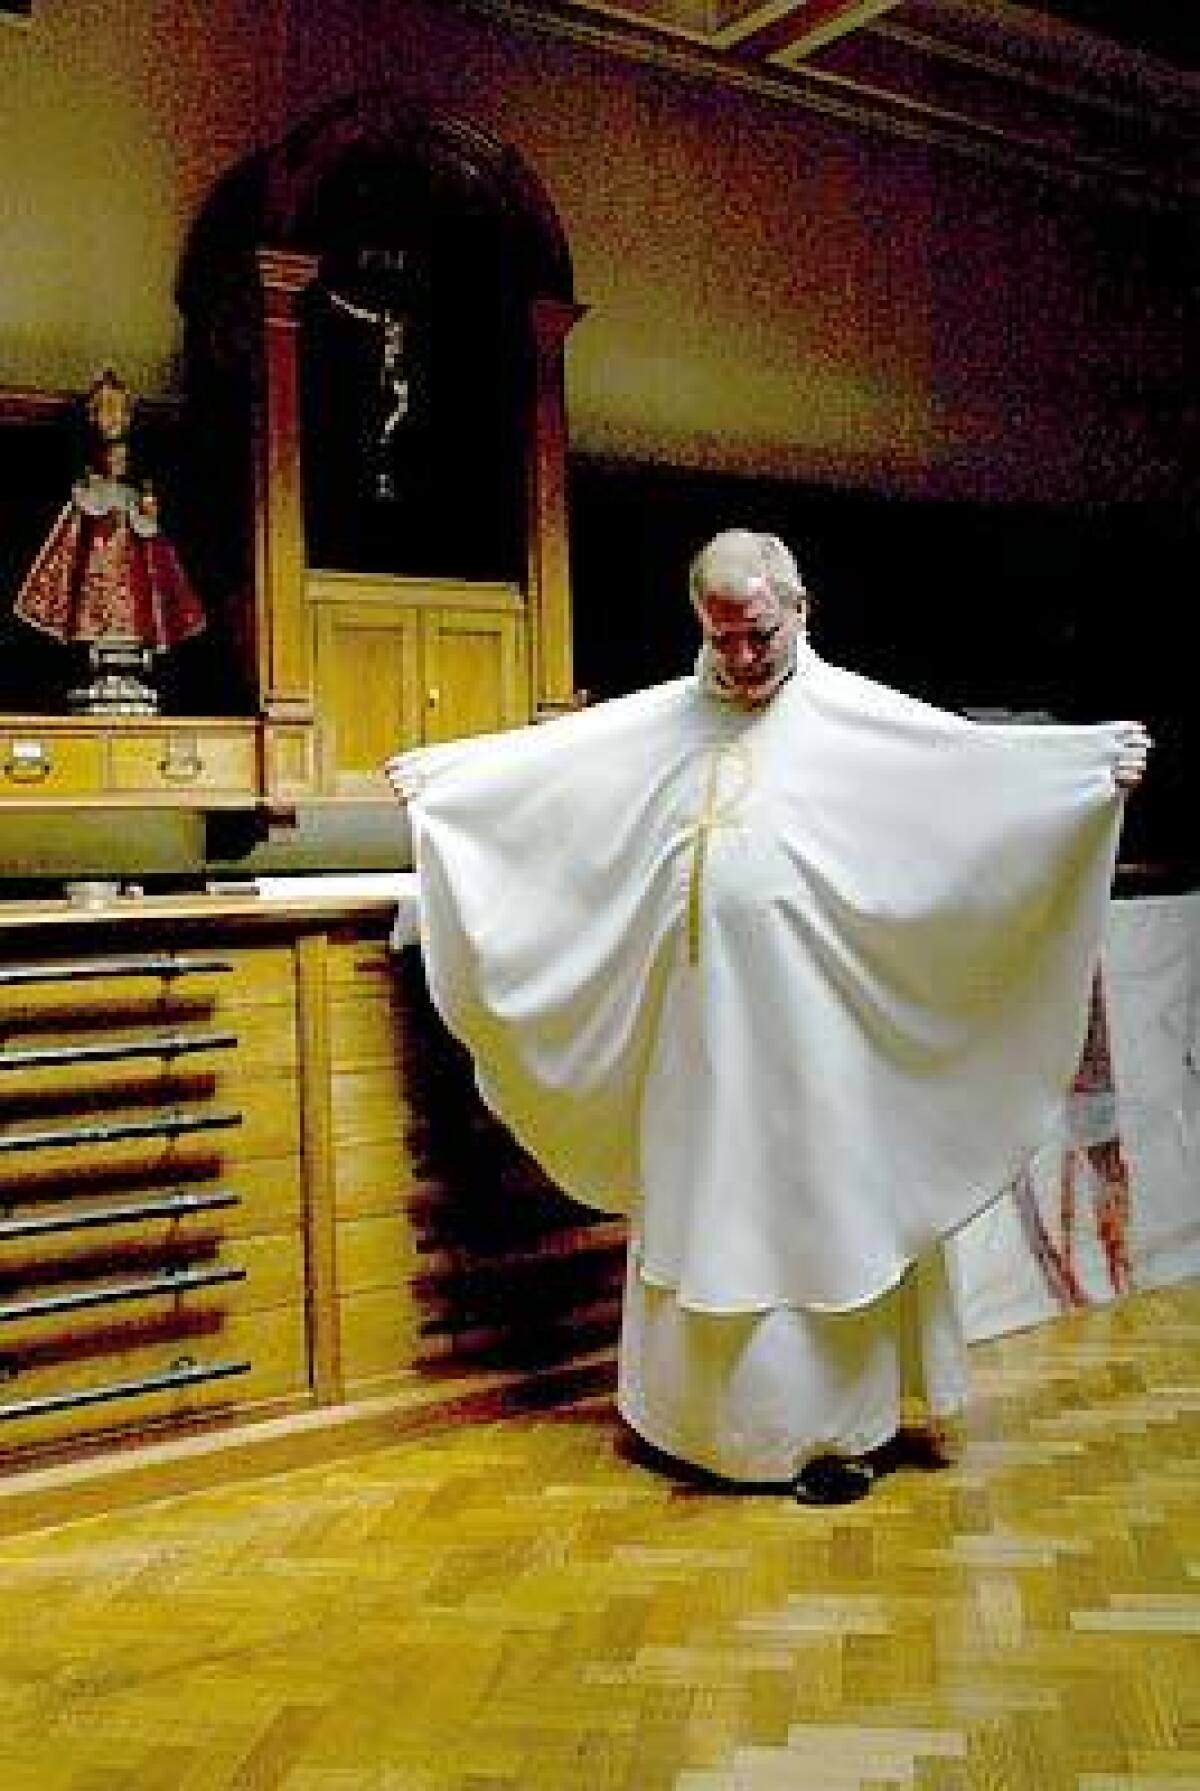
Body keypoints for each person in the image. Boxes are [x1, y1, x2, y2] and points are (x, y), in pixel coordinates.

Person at [386, 528, 1151, 1505]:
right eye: (722, 638)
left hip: (820, 1038)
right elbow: (555, 774)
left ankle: (829, 1433)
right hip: (700, 1046)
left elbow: (967, 780)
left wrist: (1083, 772)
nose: (742, 660)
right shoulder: (664, 722)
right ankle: (696, 1428)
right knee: (710, 1202)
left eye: (760, 637)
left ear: (799, 611)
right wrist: (451, 789)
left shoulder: (855, 721)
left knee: (816, 1209)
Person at [14, 367, 206, 655]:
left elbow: (147, 530)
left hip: (131, 575)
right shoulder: (90, 489)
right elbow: (75, 535)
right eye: (114, 458)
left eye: (123, 459)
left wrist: (148, 510)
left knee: (137, 602)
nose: (119, 463)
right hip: (99, 574)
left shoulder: (133, 493)